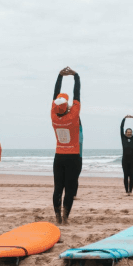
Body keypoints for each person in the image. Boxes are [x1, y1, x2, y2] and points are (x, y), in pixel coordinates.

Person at [51, 67, 81, 225]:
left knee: (58, 188)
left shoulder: (53, 116)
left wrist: (60, 76)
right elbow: (77, 93)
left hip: (59, 156)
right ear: (67, 107)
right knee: (69, 189)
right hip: (73, 156)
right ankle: (65, 217)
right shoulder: (74, 114)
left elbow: (55, 93)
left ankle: (57, 216)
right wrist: (75, 76)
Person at [121, 115, 133, 195]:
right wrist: (124, 119)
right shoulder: (123, 138)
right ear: (125, 133)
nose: (129, 133)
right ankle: (126, 191)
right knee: (125, 175)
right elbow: (121, 128)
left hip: (132, 160)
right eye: (128, 132)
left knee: (131, 176)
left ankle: (130, 191)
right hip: (124, 160)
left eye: (130, 132)